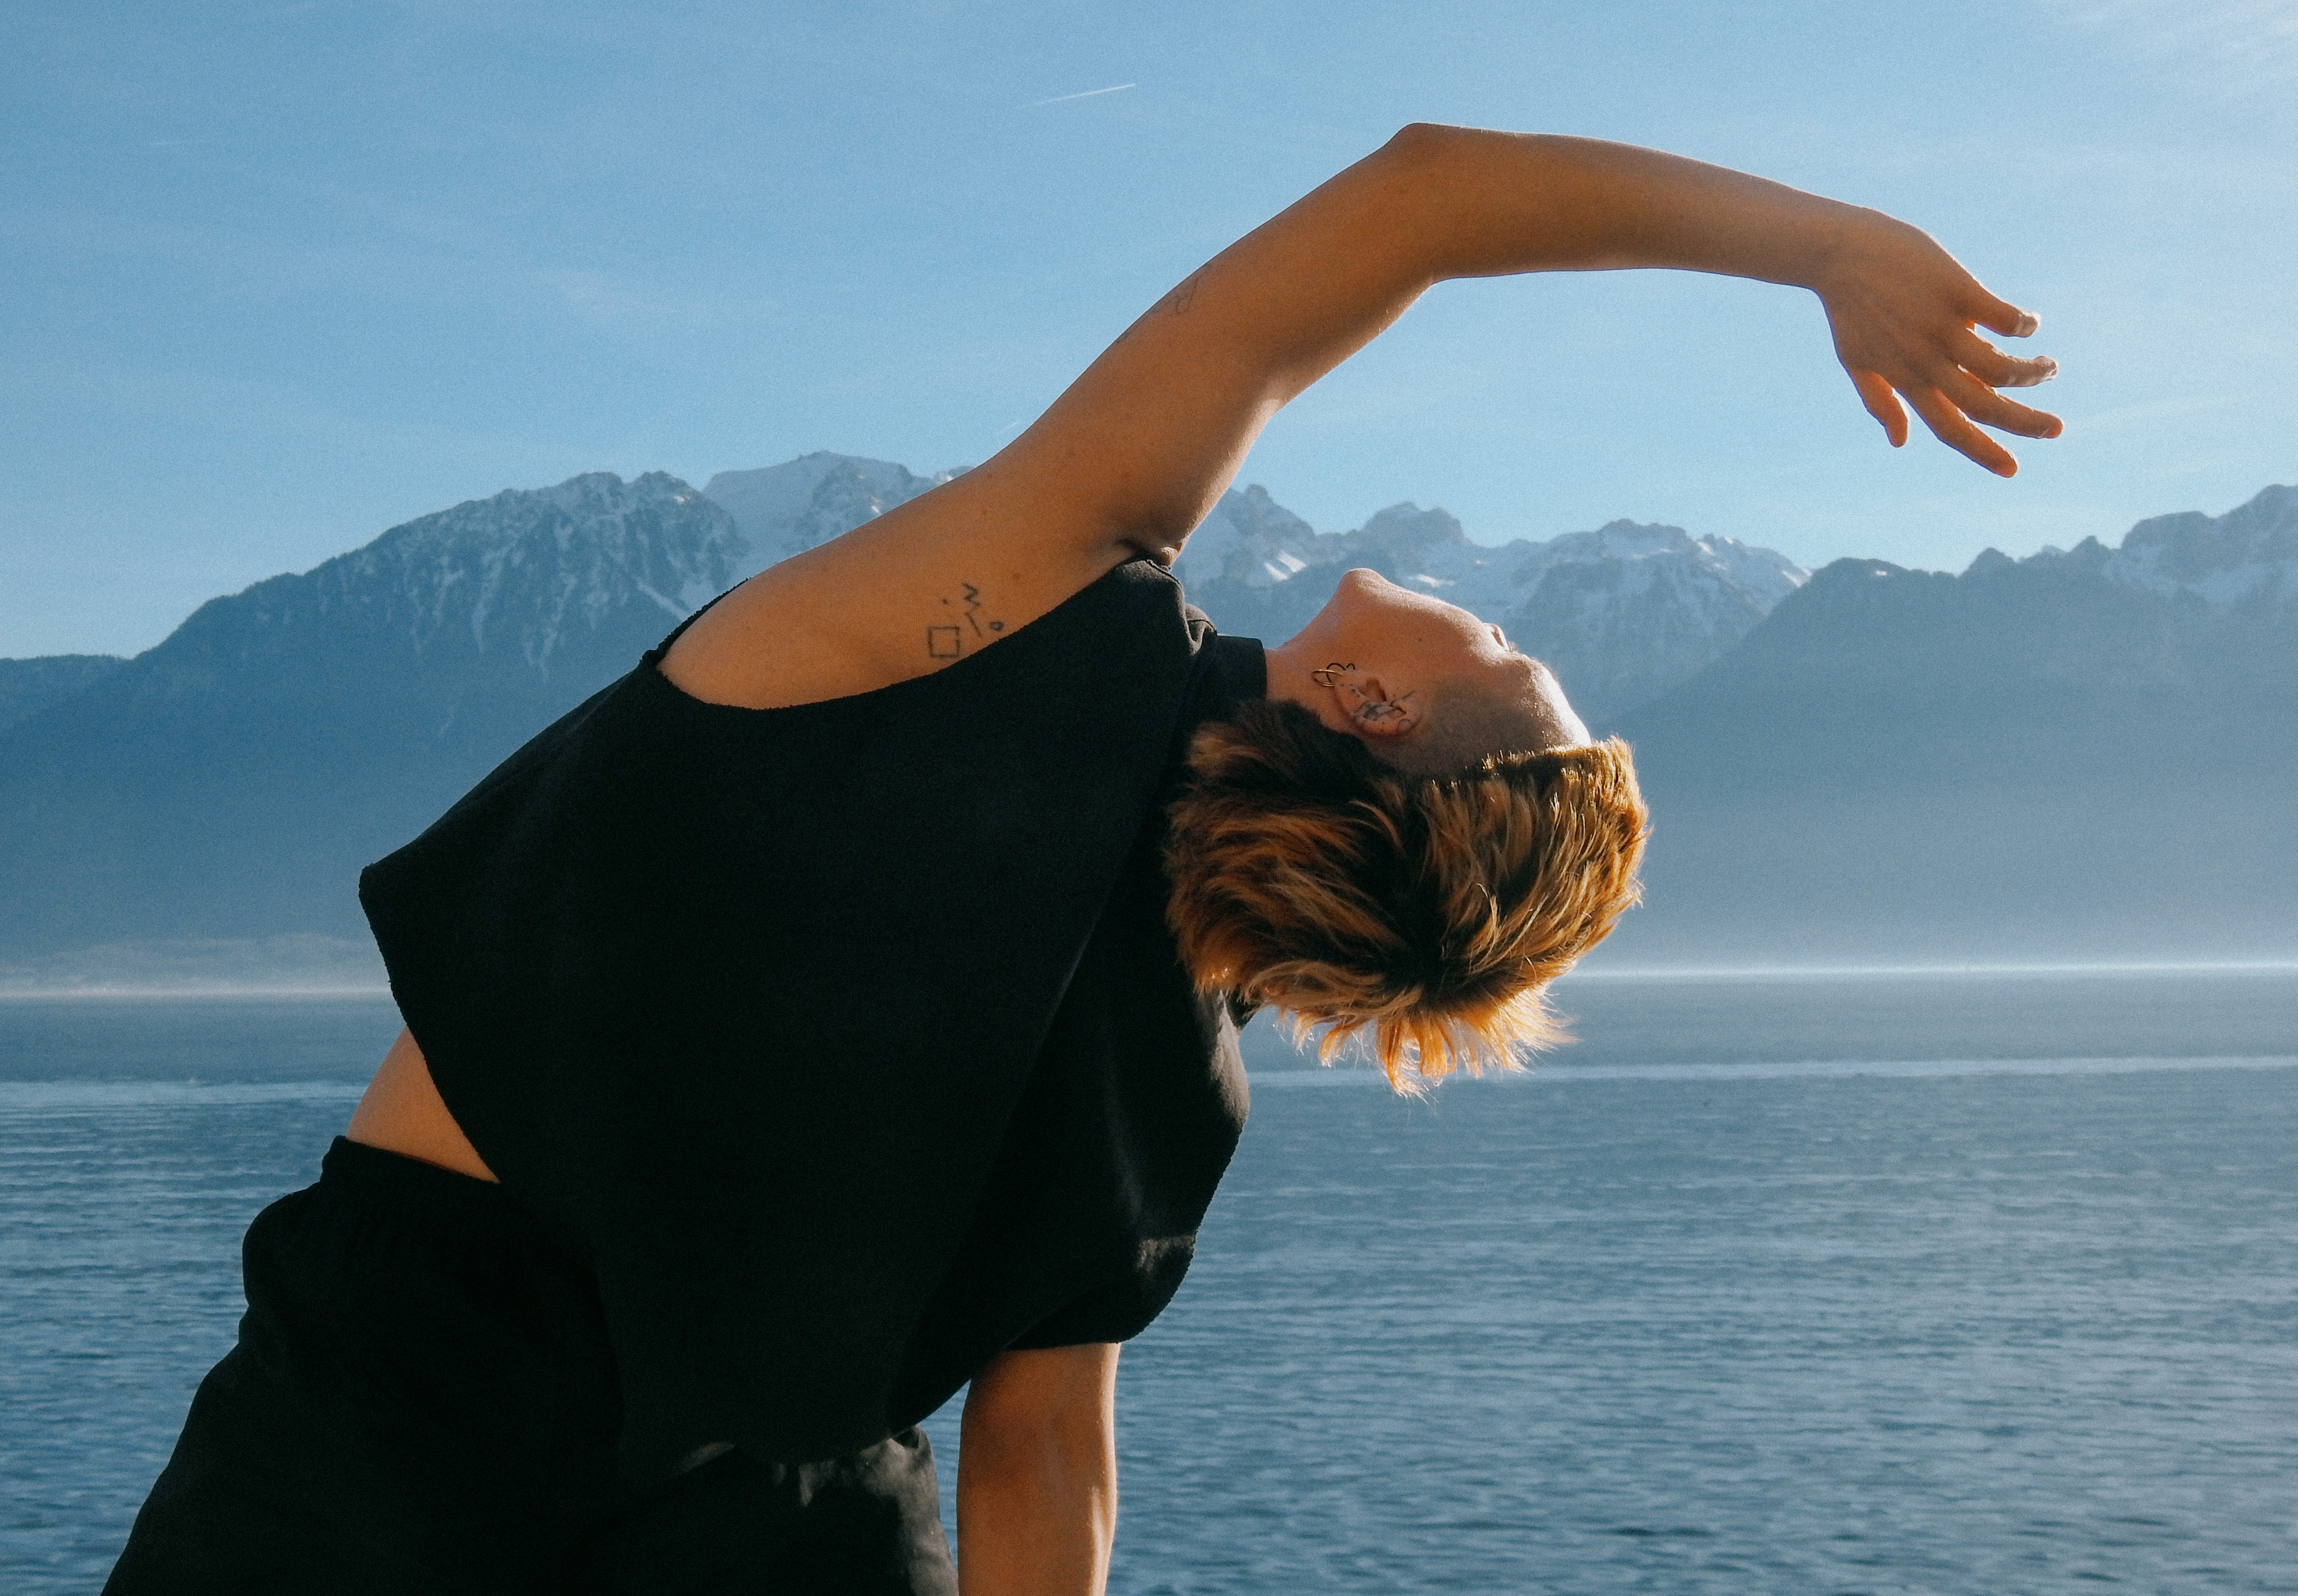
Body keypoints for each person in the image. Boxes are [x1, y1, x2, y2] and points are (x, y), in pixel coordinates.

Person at [104, 124, 2060, 1596]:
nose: (1501, 617)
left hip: (389, 1433)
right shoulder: (1172, 1086)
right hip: (804, 1533)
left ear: (1378, 707)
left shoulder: (1026, 605)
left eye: (1518, 656)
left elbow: (1420, 199)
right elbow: (1042, 1467)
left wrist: (1831, 247)